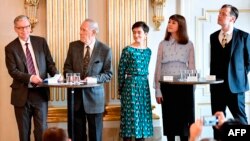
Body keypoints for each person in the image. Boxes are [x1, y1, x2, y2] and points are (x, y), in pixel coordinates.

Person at [5, 15, 58, 141]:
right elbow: (13, 71)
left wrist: (57, 75)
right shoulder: (10, 48)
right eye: (21, 28)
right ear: (15, 29)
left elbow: (50, 63)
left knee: (42, 131)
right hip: (22, 95)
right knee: (24, 133)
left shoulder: (41, 42)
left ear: (30, 27)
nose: (24, 30)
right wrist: (30, 77)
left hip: (40, 92)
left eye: (27, 27)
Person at [63, 18, 113, 141]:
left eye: (83, 30)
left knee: (95, 135)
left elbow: (108, 74)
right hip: (76, 99)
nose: (80, 32)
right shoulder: (73, 46)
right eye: (80, 29)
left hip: (95, 99)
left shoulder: (105, 50)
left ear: (93, 32)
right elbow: (67, 68)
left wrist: (93, 79)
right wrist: (73, 78)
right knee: (77, 135)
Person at [209, 4, 250, 140]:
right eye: (219, 13)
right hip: (217, 87)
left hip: (236, 87)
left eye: (223, 14)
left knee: (241, 121)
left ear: (232, 19)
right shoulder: (213, 37)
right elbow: (213, 62)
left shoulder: (244, 37)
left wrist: (238, 76)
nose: (219, 15)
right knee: (216, 121)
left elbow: (248, 62)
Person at [154, 14, 195, 141]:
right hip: (167, 87)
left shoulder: (189, 44)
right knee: (169, 121)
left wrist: (191, 90)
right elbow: (158, 67)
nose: (169, 25)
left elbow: (192, 68)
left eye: (173, 23)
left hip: (184, 87)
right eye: (169, 22)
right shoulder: (162, 44)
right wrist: (158, 90)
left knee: (184, 122)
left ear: (180, 25)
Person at [118, 21, 153, 141]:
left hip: (144, 86)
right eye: (134, 32)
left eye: (139, 32)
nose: (136, 35)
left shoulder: (149, 51)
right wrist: (121, 89)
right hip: (130, 85)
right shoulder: (127, 50)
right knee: (129, 116)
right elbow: (121, 70)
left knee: (142, 115)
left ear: (146, 34)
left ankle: (141, 138)